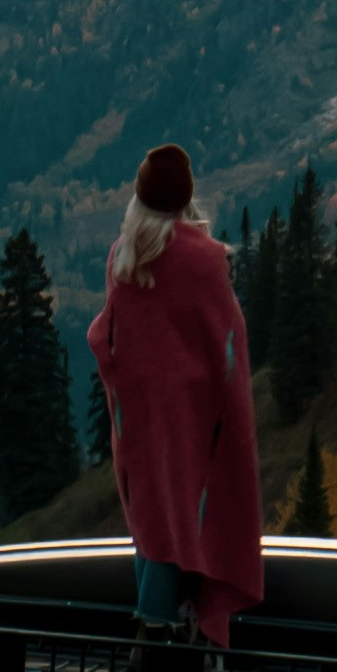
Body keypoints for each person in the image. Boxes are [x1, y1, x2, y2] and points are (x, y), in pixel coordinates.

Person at [85, 141, 264, 646]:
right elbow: (227, 339)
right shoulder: (205, 260)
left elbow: (111, 334)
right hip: (189, 418)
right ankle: (159, 635)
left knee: (151, 518)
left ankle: (156, 629)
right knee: (179, 519)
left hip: (137, 419)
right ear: (186, 199)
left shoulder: (123, 256)